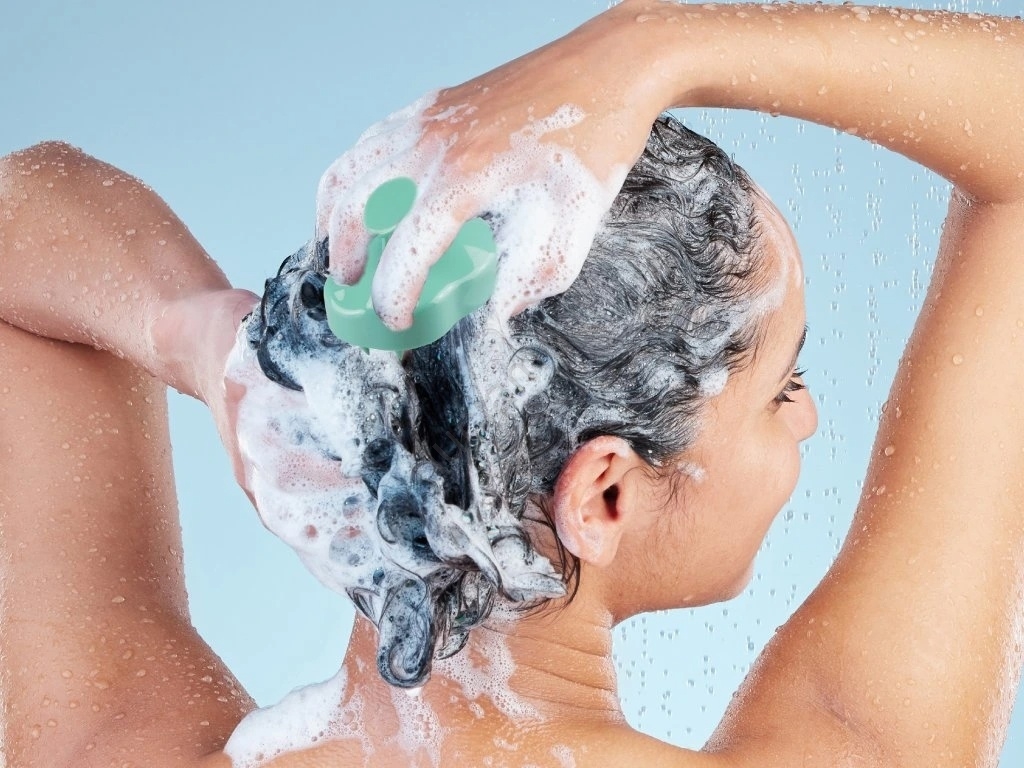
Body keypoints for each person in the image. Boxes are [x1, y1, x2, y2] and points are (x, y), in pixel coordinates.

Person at [0, 3, 1021, 768]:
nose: (806, 417)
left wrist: (209, 339)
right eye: (781, 387)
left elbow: (24, 208)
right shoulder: (854, 748)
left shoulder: (113, 743)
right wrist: (657, 42)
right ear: (603, 494)